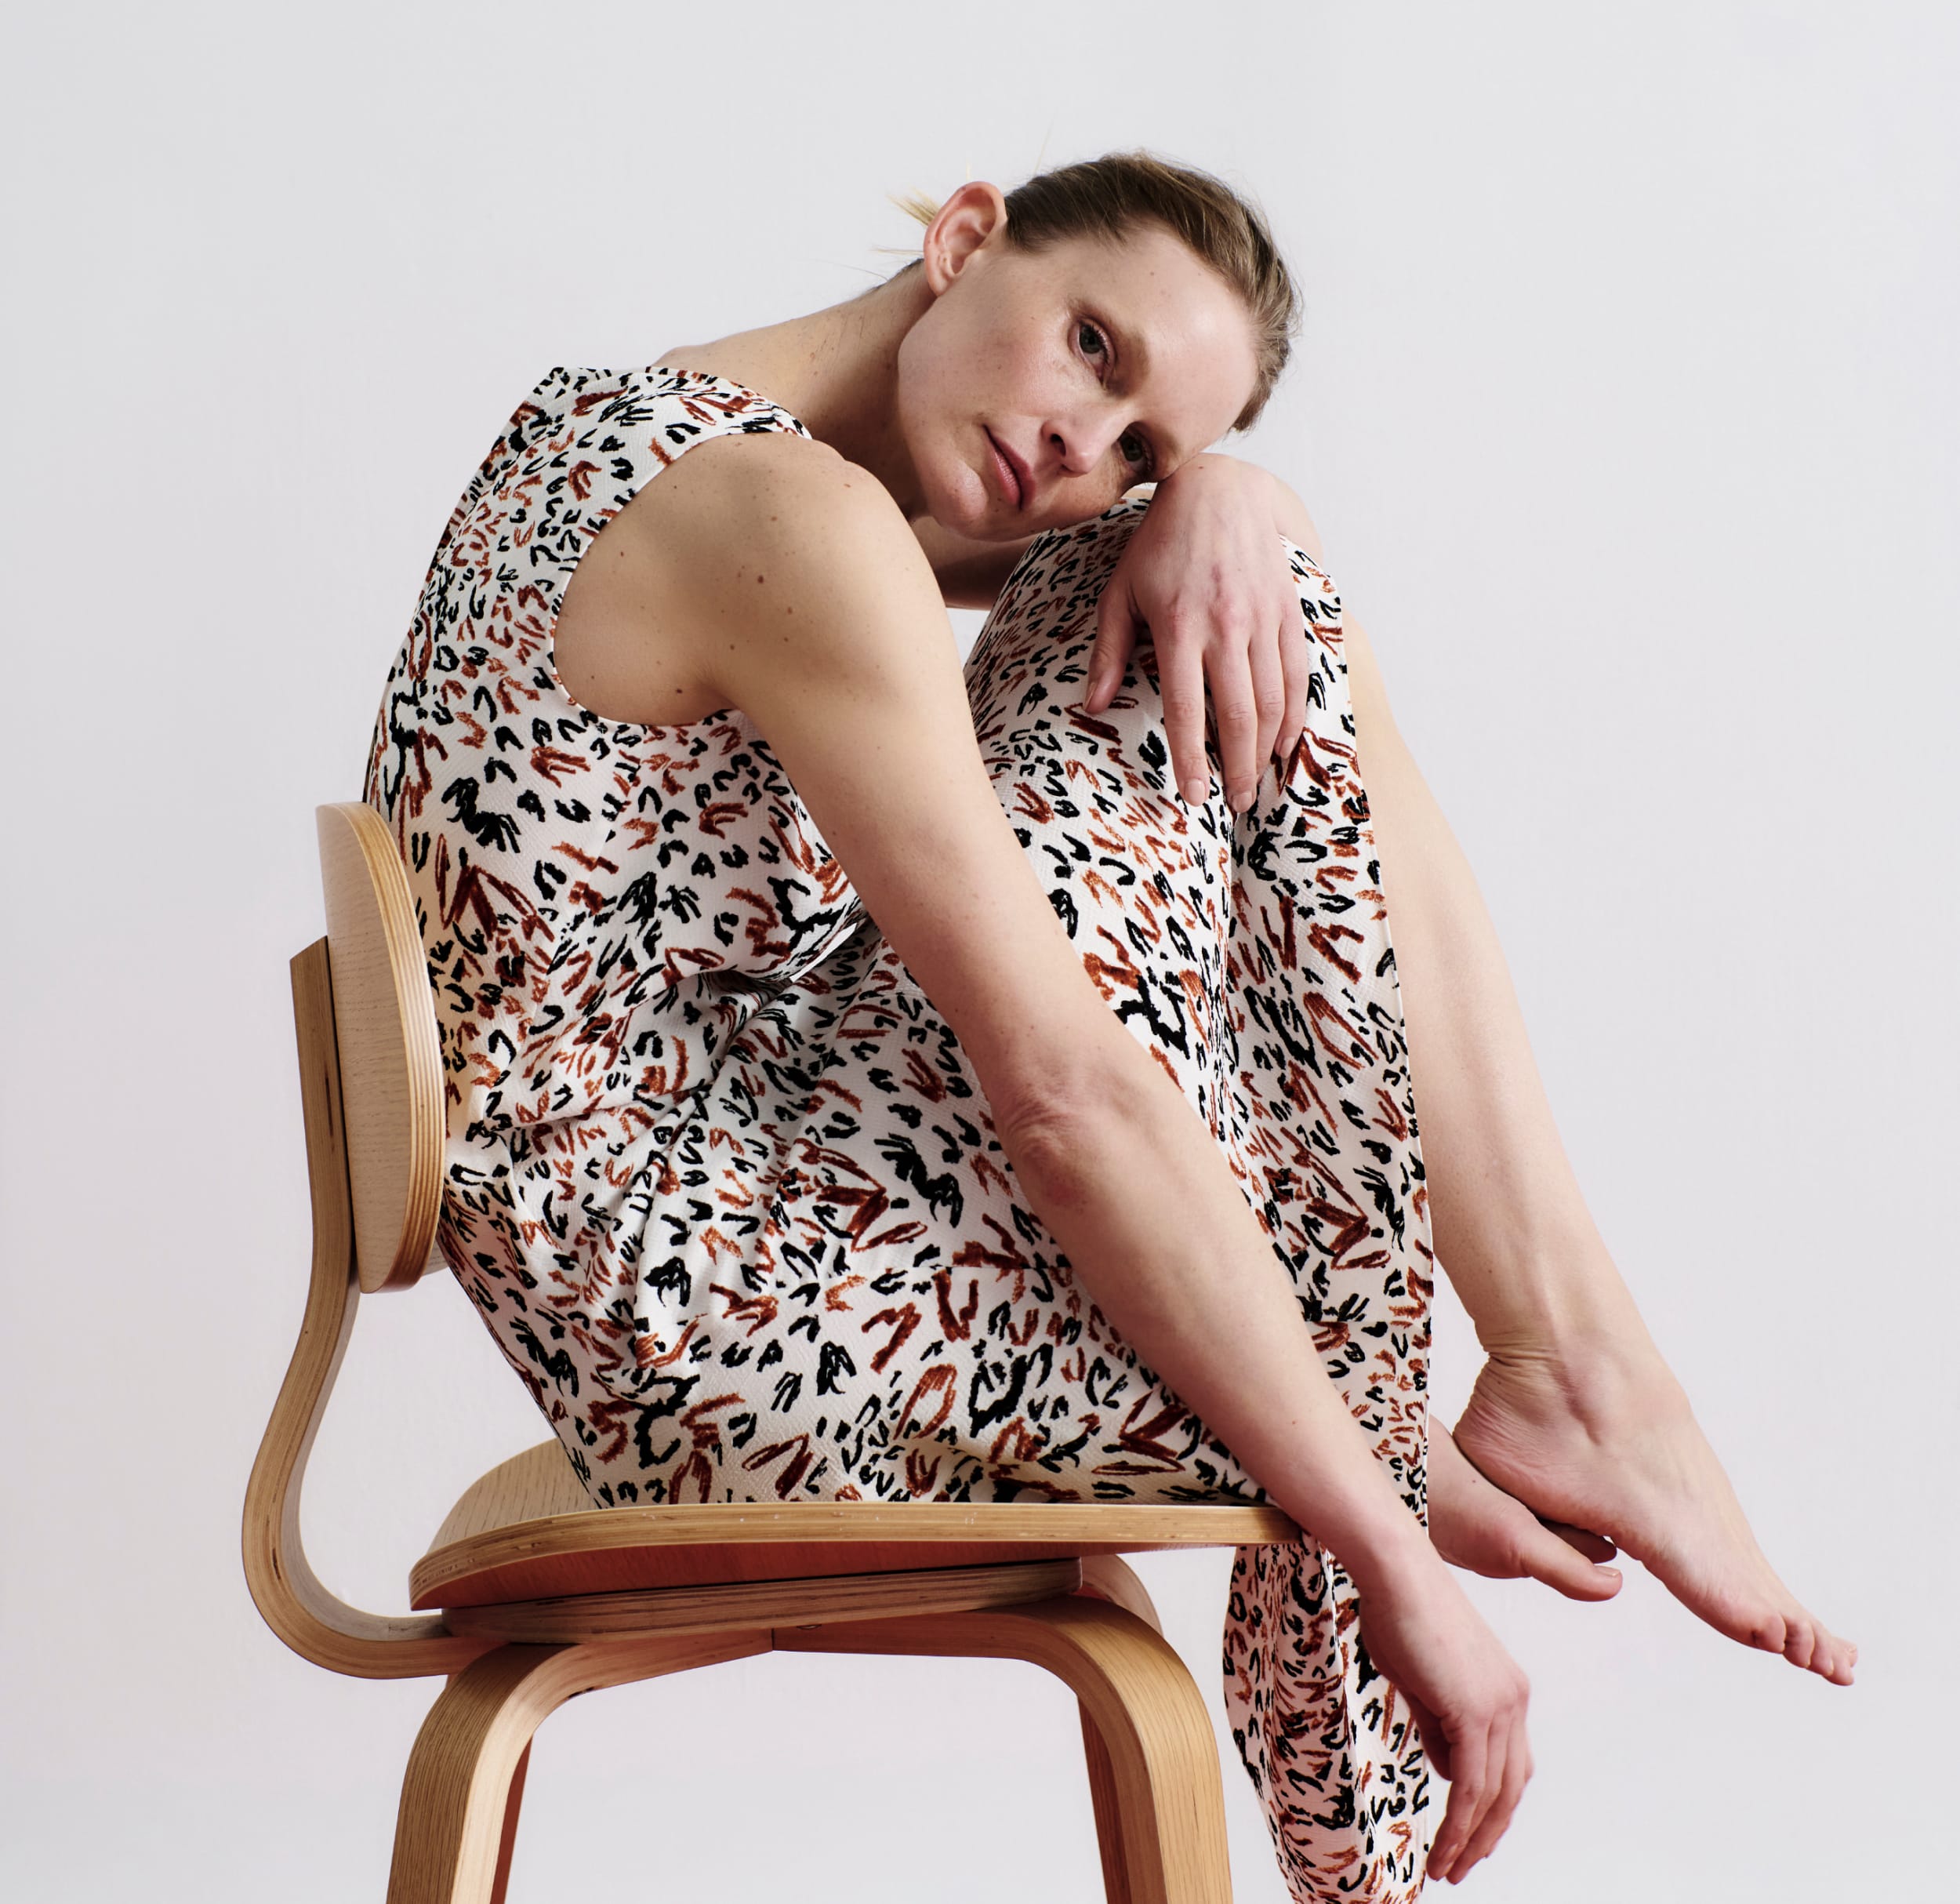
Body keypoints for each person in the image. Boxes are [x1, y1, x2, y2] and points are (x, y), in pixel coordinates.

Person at [363, 151, 1855, 1901]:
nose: (1084, 443)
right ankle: (1520, 1381)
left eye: (1138, 434)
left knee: (1246, 586)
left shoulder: (647, 425)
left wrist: (1229, 494)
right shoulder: (793, 527)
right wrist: (1385, 1554)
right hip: (710, 1326)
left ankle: (1522, 1375)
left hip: (656, 1230)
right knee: (1262, 642)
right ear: (964, 236)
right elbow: (1063, 1097)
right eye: (1088, 342)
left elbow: (1108, 577)